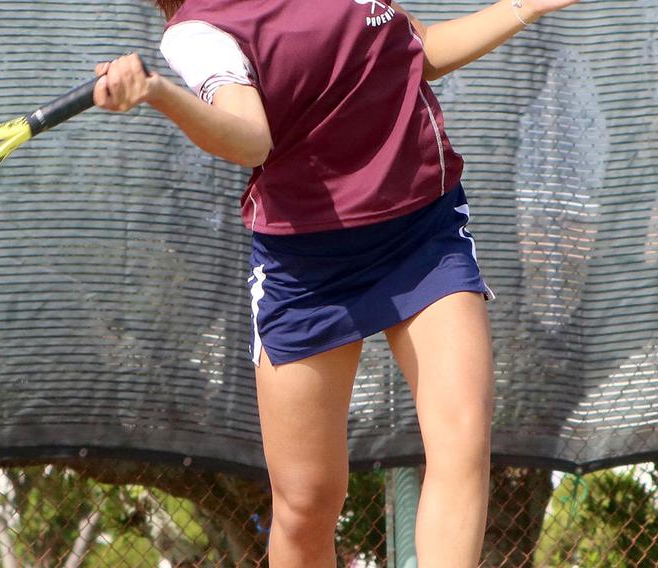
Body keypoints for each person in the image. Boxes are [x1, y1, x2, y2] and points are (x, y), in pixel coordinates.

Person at [93, 0, 579, 565]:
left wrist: (531, 4)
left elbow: (419, 52)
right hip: (306, 268)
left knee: (463, 444)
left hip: (423, 231)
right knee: (307, 504)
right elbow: (251, 140)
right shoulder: (198, 31)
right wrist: (158, 92)